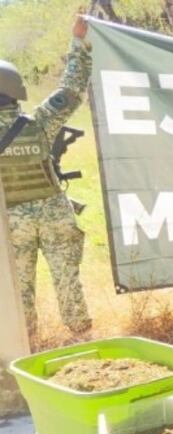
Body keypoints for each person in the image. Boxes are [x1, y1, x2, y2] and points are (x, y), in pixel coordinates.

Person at [0, 15, 93, 338]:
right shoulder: (39, 121)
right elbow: (72, 88)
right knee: (68, 280)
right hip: (55, 215)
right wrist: (78, 43)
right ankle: (82, 337)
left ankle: (28, 345)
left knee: (18, 289)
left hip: (11, 224)